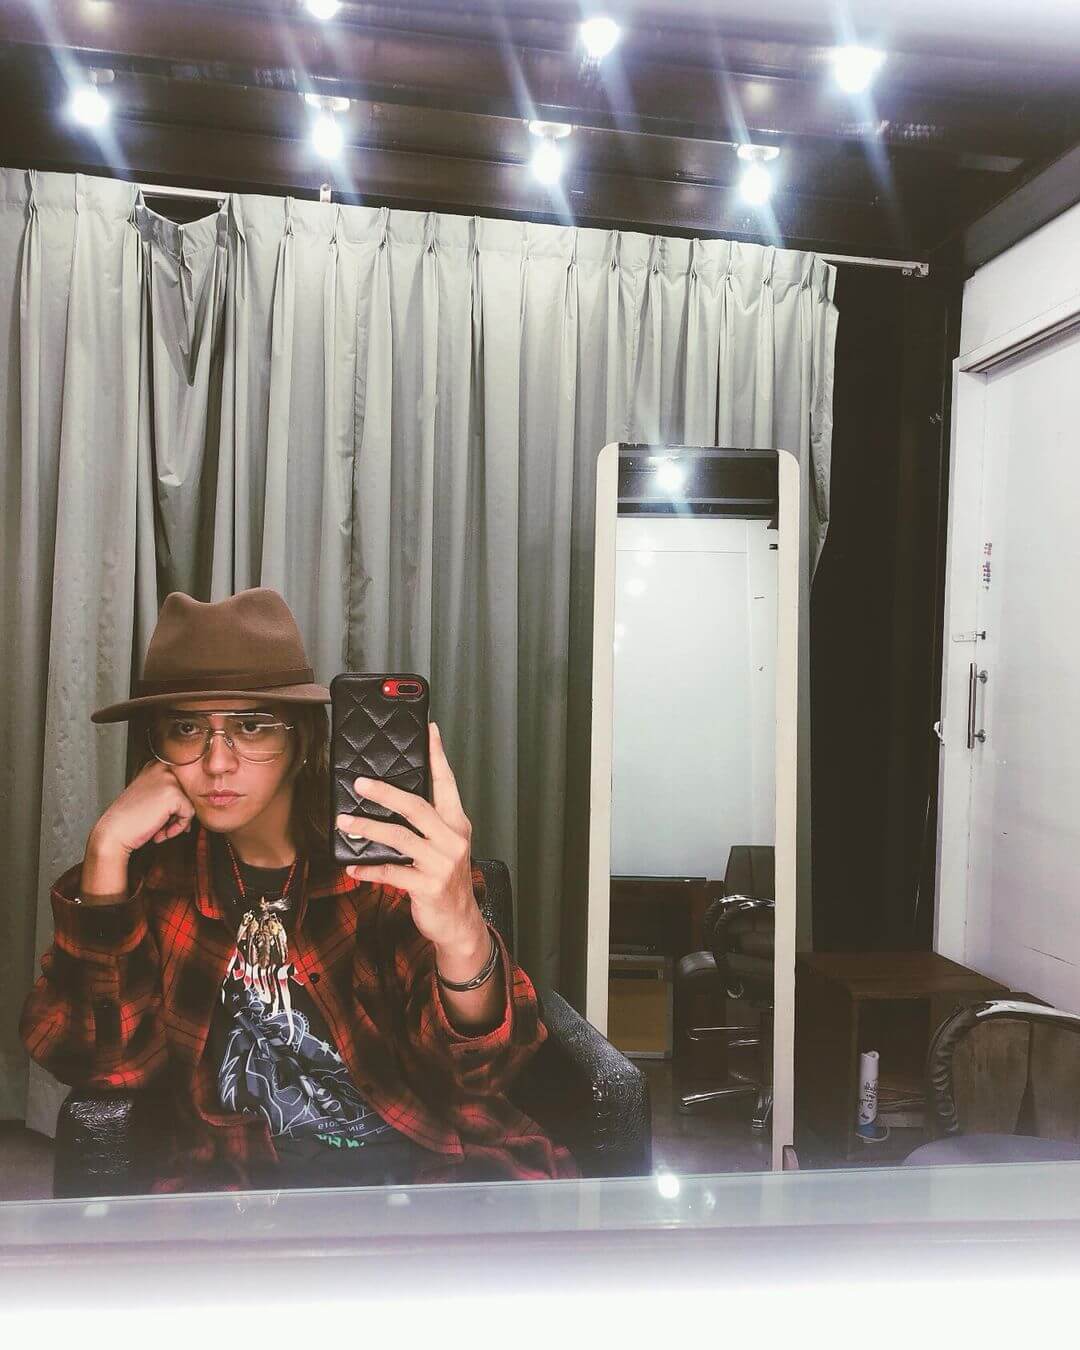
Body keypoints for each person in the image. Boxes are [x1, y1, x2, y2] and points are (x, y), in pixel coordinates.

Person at [20, 587, 579, 1192]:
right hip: (238, 1190)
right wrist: (105, 853)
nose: (216, 762)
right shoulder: (159, 882)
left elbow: (481, 1074)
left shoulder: (382, 864)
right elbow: (96, 1062)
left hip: (420, 1172)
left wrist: (463, 935)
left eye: (251, 726)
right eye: (186, 728)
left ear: (301, 741)